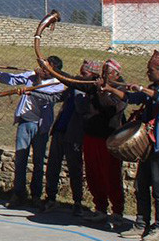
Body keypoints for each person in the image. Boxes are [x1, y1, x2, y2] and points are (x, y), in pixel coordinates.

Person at [104, 50, 159, 241]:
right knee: (141, 185)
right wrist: (110, 88)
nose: (148, 73)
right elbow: (131, 98)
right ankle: (141, 224)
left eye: (151, 70)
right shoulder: (151, 87)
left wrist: (142, 89)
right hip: (147, 145)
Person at [0, 56, 66, 209]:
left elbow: (47, 96)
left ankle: (36, 196)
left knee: (38, 162)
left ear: (53, 70)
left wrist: (34, 85)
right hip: (25, 122)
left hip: (41, 127)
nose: (41, 69)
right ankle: (18, 194)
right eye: (42, 66)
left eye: (45, 67)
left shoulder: (58, 84)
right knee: (20, 160)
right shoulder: (31, 76)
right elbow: (11, 79)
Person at [75, 59, 129, 228]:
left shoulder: (121, 89)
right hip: (91, 135)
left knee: (110, 175)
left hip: (108, 138)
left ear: (116, 74)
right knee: (93, 173)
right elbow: (75, 81)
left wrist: (102, 91)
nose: (104, 75)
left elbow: (110, 106)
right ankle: (100, 208)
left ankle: (117, 211)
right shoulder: (96, 85)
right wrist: (54, 71)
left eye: (108, 72)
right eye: (103, 71)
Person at [43, 60, 96, 215]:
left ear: (92, 76)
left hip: (75, 135)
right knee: (53, 166)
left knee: (75, 169)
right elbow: (57, 97)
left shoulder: (91, 91)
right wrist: (33, 92)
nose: (80, 77)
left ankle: (77, 202)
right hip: (60, 131)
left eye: (84, 75)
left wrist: (78, 88)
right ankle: (50, 198)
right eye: (80, 73)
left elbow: (82, 108)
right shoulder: (73, 89)